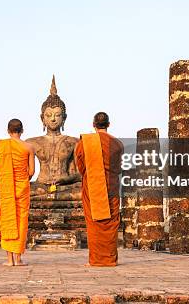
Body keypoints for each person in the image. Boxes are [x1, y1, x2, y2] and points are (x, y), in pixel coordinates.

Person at [75, 112, 123, 266]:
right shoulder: (117, 144)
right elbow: (119, 167)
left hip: (93, 186)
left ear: (93, 125)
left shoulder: (85, 143)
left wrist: (93, 175)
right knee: (110, 223)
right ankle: (109, 259)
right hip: (112, 187)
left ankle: (96, 260)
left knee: (95, 224)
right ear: (109, 124)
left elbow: (81, 167)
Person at [0, 118, 35, 266]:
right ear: (22, 131)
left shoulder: (1, 146)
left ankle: (9, 260)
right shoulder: (28, 147)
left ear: (8, 131)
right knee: (21, 221)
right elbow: (32, 171)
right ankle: (18, 259)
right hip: (22, 188)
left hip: (7, 188)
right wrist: (22, 178)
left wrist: (4, 182)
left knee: (8, 220)